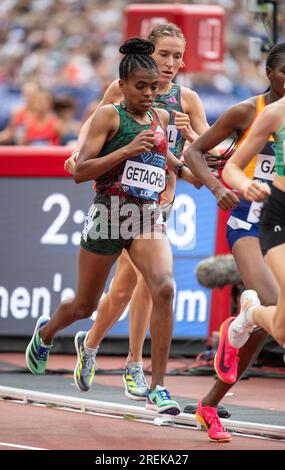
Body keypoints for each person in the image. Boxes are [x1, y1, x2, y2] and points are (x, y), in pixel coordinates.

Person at [64, 23, 237, 402]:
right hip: (122, 200)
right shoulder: (122, 88)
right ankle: (109, 354)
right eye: (164, 55)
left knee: (146, 286)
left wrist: (191, 134)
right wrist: (79, 155)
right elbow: (90, 126)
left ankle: (116, 357)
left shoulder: (187, 99)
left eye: (178, 56)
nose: (171, 63)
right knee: (129, 286)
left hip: (162, 201)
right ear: (147, 54)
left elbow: (209, 154)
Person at [25, 37, 198, 415]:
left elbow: (165, 154)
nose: (150, 94)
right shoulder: (109, 116)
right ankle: (47, 333)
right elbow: (81, 171)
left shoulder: (162, 117)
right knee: (85, 305)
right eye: (141, 87)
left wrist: (186, 171)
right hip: (107, 215)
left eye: (154, 87)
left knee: (164, 287)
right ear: (123, 86)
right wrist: (124, 150)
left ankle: (159, 386)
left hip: (146, 216)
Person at [184, 42, 285, 442]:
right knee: (273, 302)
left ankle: (209, 405)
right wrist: (218, 188)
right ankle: (249, 310)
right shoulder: (251, 111)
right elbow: (195, 152)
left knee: (269, 325)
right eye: (283, 73)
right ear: (269, 74)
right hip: (250, 221)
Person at [216, 94, 285, 385]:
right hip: (278, 216)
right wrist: (246, 184)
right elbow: (232, 167)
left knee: (281, 331)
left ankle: (250, 313)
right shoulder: (275, 113)